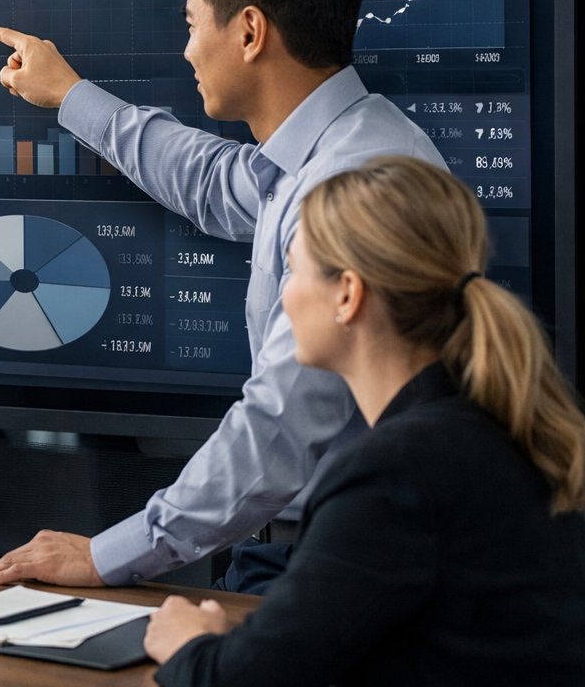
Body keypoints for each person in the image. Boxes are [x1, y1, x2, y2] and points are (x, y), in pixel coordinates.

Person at [0, 0, 444, 592]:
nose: (187, 49)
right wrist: (70, 95)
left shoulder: (353, 185)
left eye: (193, 25)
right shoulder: (346, 147)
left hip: (343, 567)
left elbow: (279, 428)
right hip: (324, 549)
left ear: (250, 31)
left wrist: (109, 555)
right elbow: (211, 178)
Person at [143, 156, 585, 685]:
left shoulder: (392, 473)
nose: (283, 295)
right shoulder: (502, 429)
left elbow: (243, 680)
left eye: (292, 268)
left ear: (348, 295)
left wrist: (186, 642)